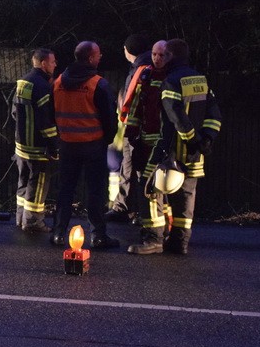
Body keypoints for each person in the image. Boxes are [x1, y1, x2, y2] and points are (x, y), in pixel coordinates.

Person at [129, 39, 221, 255]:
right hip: (195, 154)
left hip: (169, 148)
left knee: (149, 187)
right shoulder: (200, 79)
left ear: (172, 56)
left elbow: (174, 115)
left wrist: (191, 138)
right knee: (186, 196)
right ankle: (179, 242)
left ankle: (154, 239)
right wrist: (206, 139)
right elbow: (214, 114)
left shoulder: (172, 80)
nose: (160, 59)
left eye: (164, 55)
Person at [50, 41, 121, 249]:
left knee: (65, 190)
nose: (100, 57)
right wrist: (106, 138)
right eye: (98, 54)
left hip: (67, 145)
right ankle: (98, 236)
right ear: (90, 58)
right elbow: (109, 118)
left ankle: (58, 233)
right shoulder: (98, 84)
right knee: (95, 191)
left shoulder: (58, 82)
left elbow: (51, 113)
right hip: (93, 146)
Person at [106, 33, 153, 223]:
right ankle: (132, 209)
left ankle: (129, 209)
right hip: (139, 129)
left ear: (128, 50)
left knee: (135, 169)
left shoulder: (140, 70)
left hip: (134, 129)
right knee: (134, 169)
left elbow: (131, 102)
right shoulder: (146, 67)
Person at [12, 48, 60, 233]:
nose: (55, 65)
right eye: (53, 61)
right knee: (38, 184)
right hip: (37, 147)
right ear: (43, 64)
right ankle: (32, 222)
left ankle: (20, 217)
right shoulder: (43, 87)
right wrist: (54, 145)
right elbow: (45, 121)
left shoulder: (23, 82)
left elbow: (14, 112)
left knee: (23, 181)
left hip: (21, 145)